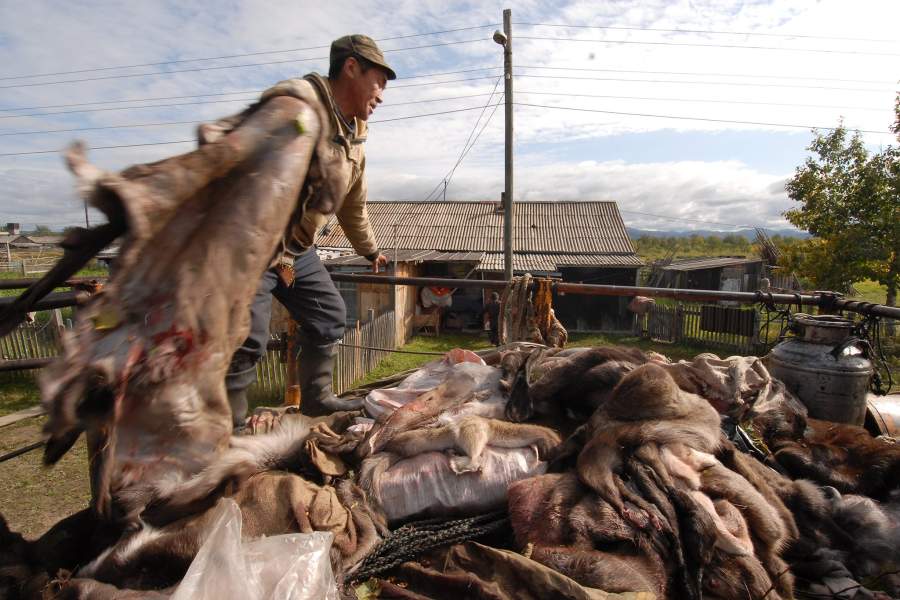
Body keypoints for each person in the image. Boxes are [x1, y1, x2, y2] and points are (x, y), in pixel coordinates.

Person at [225, 34, 394, 426]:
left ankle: (316, 400)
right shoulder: (298, 106)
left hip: (296, 250)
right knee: (246, 337)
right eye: (379, 81)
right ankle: (226, 430)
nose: (382, 95)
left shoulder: (355, 141)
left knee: (329, 315)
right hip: (253, 244)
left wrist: (370, 251)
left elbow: (354, 207)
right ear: (351, 67)